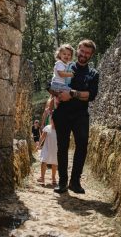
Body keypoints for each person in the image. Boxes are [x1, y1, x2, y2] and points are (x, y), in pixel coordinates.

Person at [52, 39, 99, 194]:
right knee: (62, 147)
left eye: (87, 53)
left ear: (91, 55)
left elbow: (90, 96)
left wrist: (72, 93)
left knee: (82, 145)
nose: (84, 55)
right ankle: (62, 182)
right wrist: (57, 95)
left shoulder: (93, 74)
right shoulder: (65, 65)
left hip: (80, 115)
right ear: (78, 50)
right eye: (82, 51)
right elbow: (52, 84)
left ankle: (75, 182)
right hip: (63, 113)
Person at [49, 44, 75, 109]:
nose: (66, 56)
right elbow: (61, 74)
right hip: (58, 84)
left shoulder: (65, 64)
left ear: (71, 56)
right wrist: (72, 74)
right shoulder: (59, 63)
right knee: (71, 93)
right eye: (64, 54)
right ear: (60, 54)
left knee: (57, 98)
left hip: (59, 84)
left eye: (69, 55)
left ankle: (51, 108)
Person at [36, 114, 58, 185]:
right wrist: (39, 145)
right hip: (47, 148)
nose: (53, 121)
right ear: (50, 120)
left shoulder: (60, 129)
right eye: (52, 119)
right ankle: (42, 177)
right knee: (43, 161)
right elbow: (42, 137)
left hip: (55, 149)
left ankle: (53, 178)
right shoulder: (47, 128)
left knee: (54, 163)